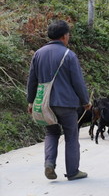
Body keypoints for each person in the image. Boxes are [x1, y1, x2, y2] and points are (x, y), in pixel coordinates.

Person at [26, 20, 91, 181]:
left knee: (51, 132)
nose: (68, 37)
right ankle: (73, 171)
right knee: (71, 136)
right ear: (63, 36)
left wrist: (31, 102)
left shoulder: (38, 54)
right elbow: (77, 81)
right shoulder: (69, 55)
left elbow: (32, 80)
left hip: (45, 103)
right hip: (66, 104)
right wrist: (85, 101)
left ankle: (49, 164)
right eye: (68, 34)